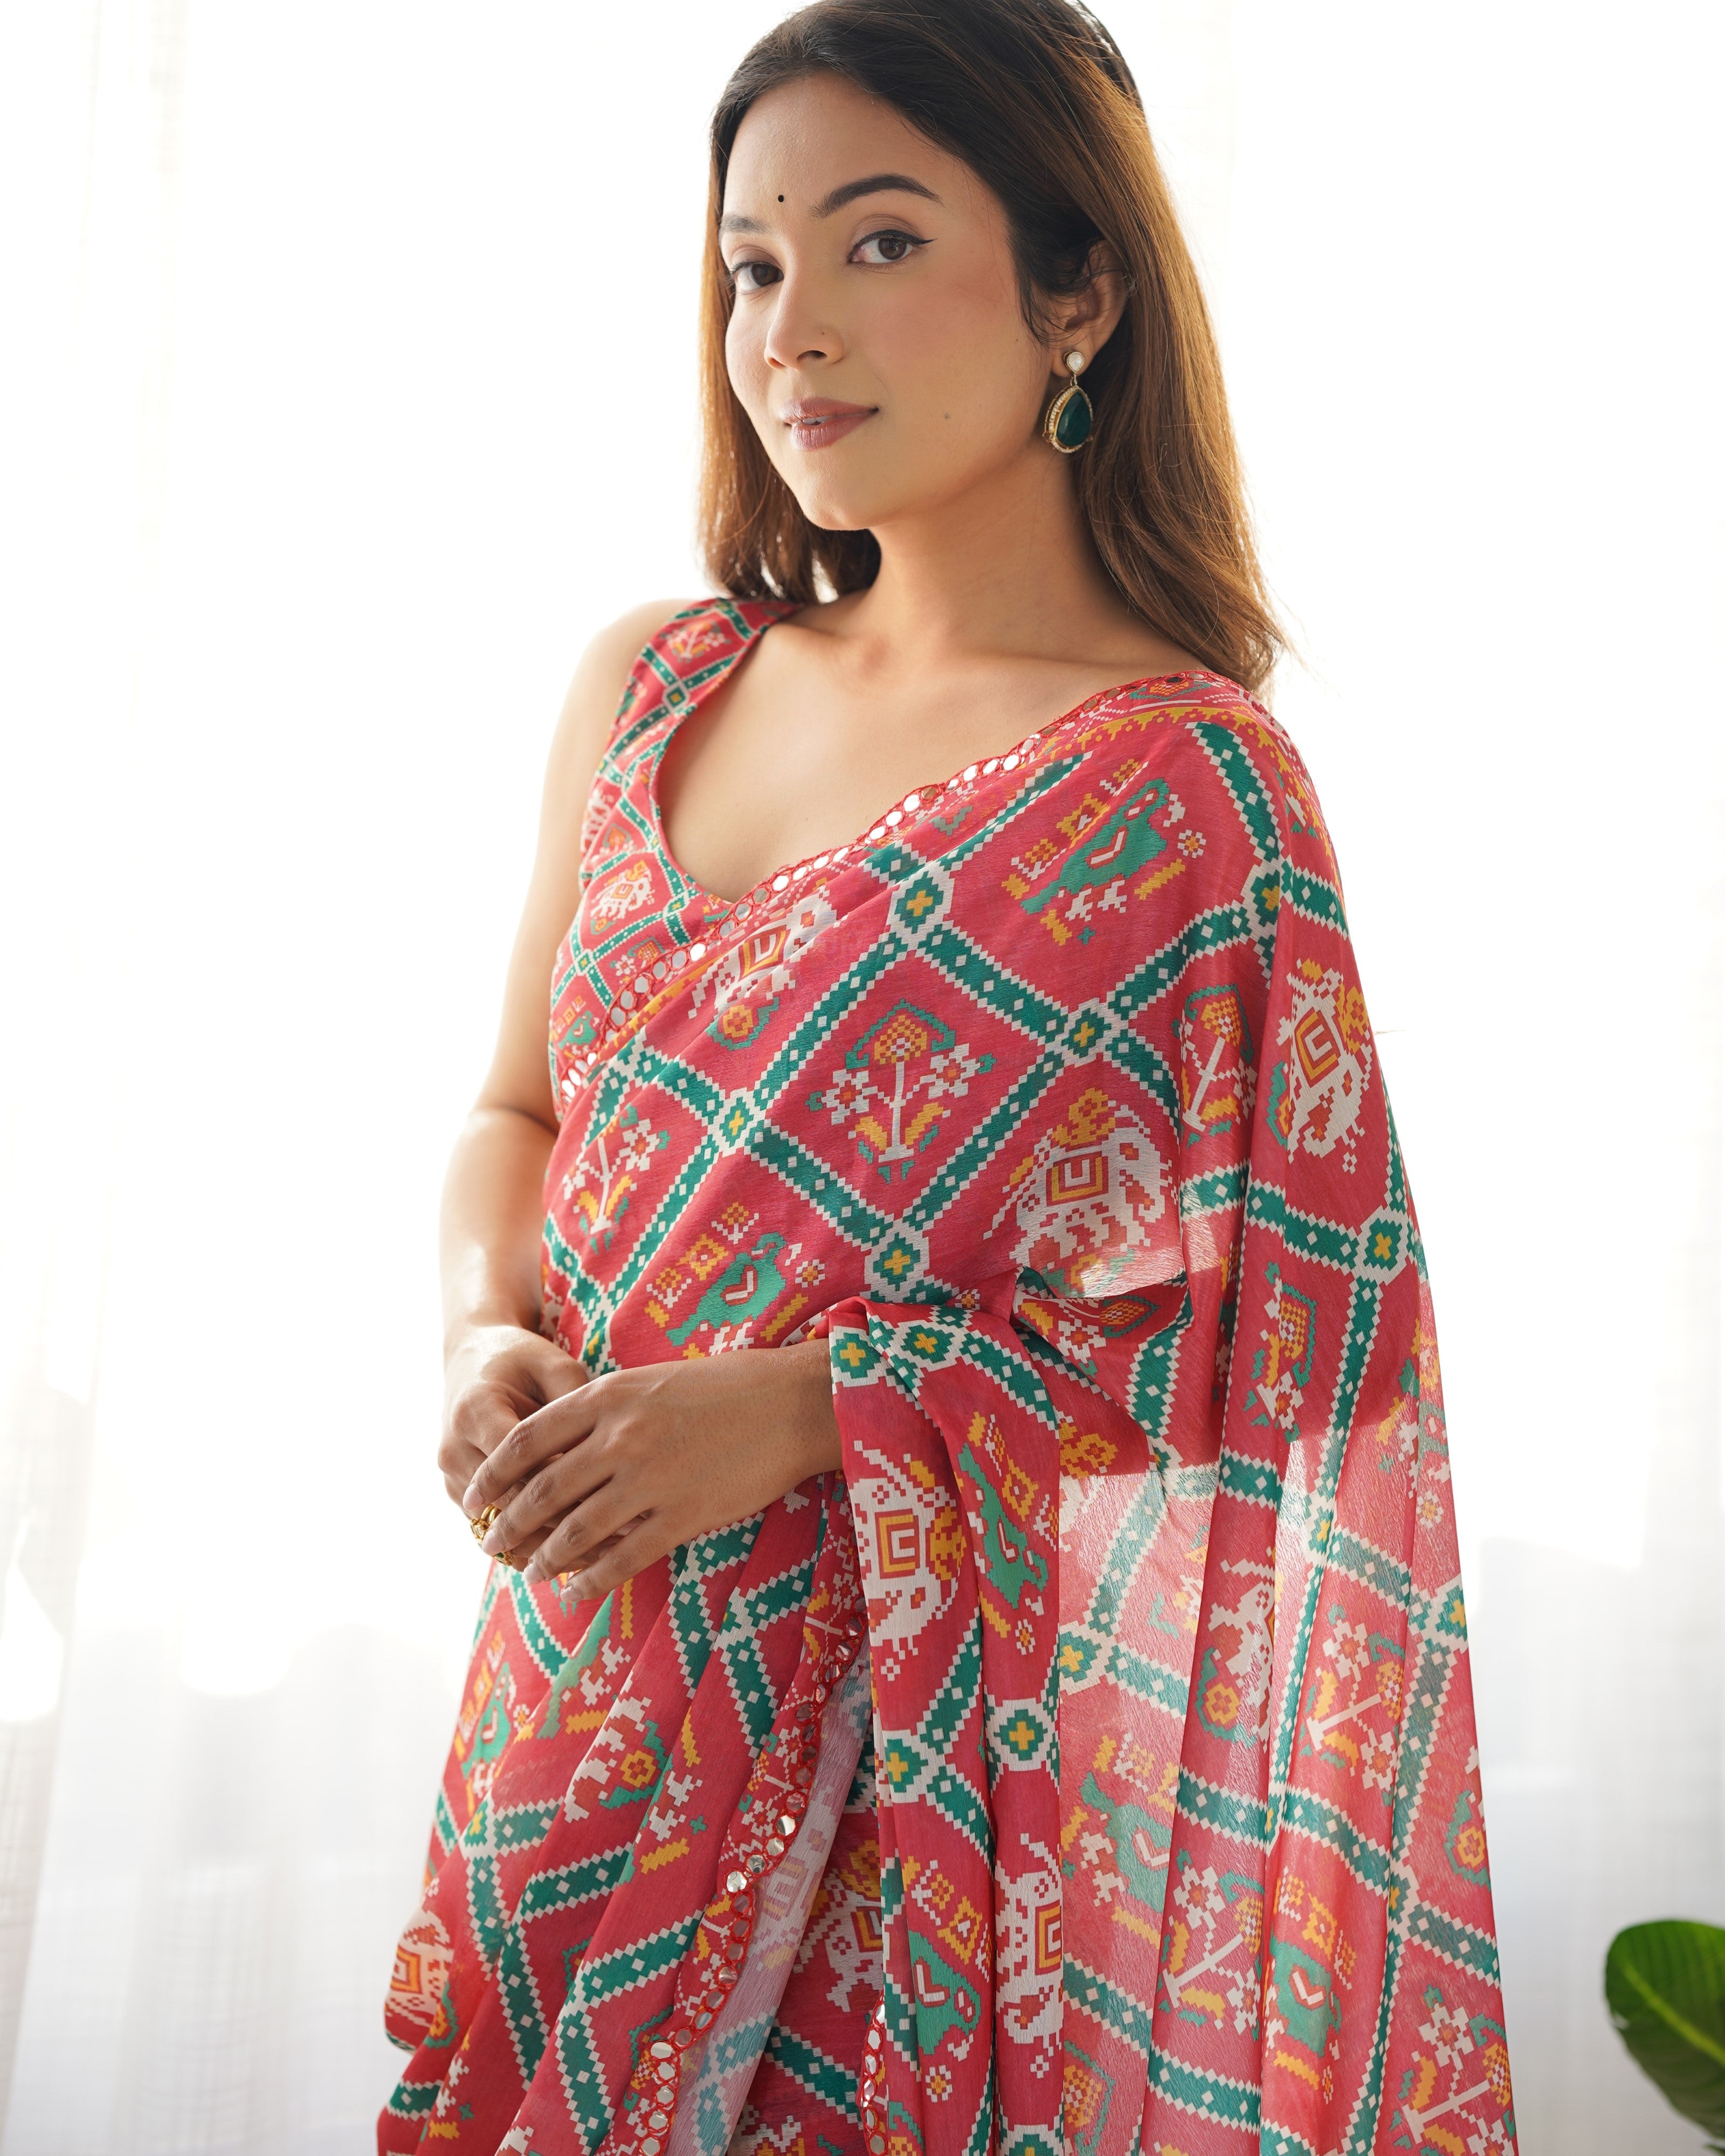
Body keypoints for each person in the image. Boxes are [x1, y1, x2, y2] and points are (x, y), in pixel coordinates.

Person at [380, 3, 1515, 2151]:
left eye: (876, 244)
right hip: (587, 1708)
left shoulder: (1186, 799)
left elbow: (1279, 1381)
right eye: (751, 264)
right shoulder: (656, 685)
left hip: (939, 1825)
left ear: (1079, 290)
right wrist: (481, 1327)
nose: (792, 328)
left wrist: (815, 1413)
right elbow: (515, 1108)